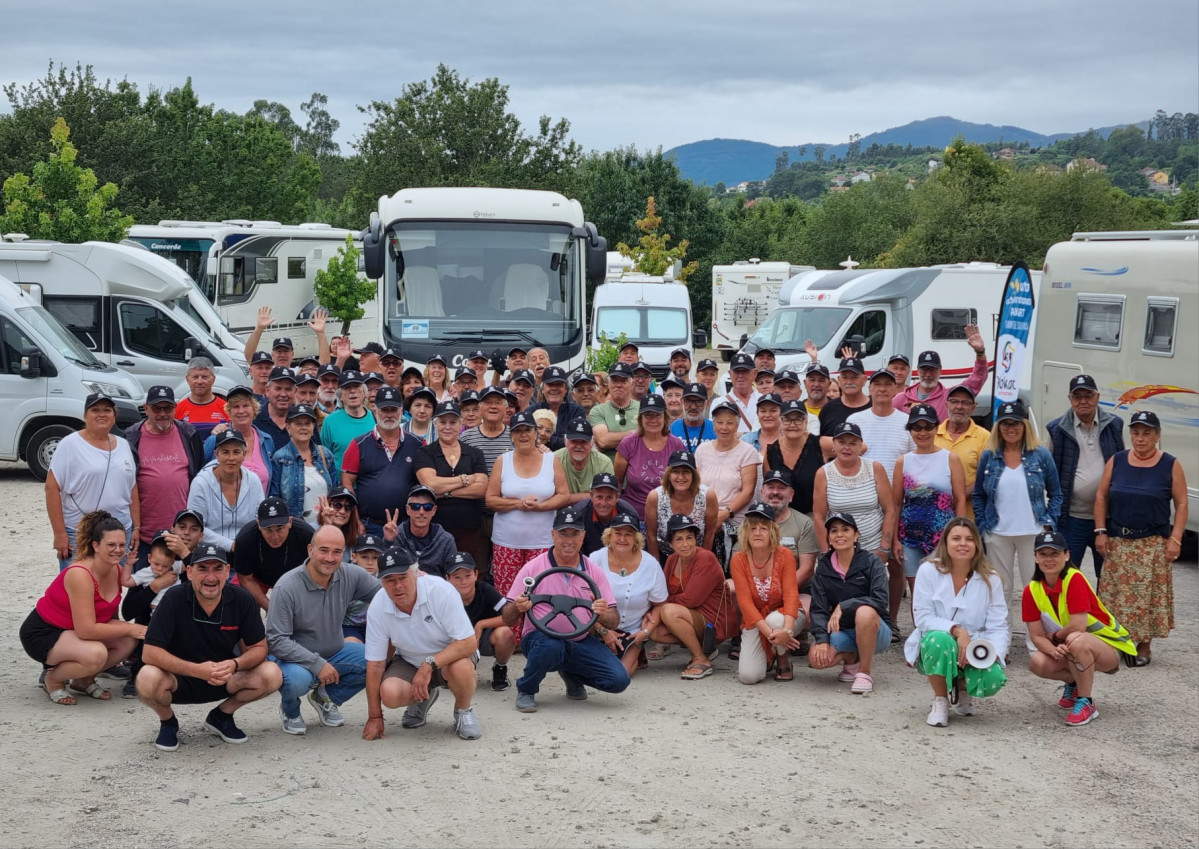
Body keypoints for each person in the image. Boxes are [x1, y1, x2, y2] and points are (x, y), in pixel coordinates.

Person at [135, 541, 282, 750]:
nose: (211, 577)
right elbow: (149, 653)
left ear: (228, 572)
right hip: (179, 680)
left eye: (218, 568)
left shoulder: (242, 599)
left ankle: (222, 716)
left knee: (272, 673)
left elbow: (259, 647)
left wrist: (234, 664)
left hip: (224, 677)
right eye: (203, 568)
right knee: (147, 677)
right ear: (190, 572)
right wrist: (197, 670)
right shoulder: (174, 598)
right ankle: (168, 722)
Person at [502, 508, 630, 712]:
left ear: (583, 535)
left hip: (580, 640)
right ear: (553, 535)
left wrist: (602, 611)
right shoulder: (533, 568)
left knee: (618, 680)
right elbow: (507, 618)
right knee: (551, 647)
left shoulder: (594, 572)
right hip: (539, 639)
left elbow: (613, 620)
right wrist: (518, 606)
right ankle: (526, 689)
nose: (569, 540)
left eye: (574, 533)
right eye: (563, 533)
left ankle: (571, 674)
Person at [1094, 410, 1188, 666]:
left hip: (1152, 544)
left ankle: (1143, 646)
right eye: (1136, 433)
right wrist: (1100, 531)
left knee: (1148, 596)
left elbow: (1181, 504)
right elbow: (1102, 496)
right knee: (1114, 595)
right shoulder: (1117, 460)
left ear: (1157, 436)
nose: (1140, 438)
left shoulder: (1170, 464)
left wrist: (1176, 538)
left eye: (1147, 433)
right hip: (1118, 541)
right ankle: (1115, 642)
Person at [267, 525, 380, 736]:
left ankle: (325, 697)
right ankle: (290, 710)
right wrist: (318, 665)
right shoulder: (286, 586)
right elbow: (277, 641)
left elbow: (385, 595)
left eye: (337, 552)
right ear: (310, 550)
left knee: (374, 661)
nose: (330, 558)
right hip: (294, 660)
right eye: (324, 550)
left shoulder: (350, 574)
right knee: (296, 681)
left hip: (336, 651)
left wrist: (414, 581)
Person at [21, 511, 144, 704]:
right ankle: (53, 680)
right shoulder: (80, 573)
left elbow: (108, 616)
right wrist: (132, 627)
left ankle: (83, 680)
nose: (118, 550)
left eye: (121, 545)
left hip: (72, 630)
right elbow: (86, 629)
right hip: (44, 632)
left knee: (128, 641)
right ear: (95, 545)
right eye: (111, 545)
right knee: (96, 653)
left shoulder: (117, 570)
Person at [362, 547, 482, 740]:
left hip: (449, 656)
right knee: (390, 694)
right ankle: (422, 696)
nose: (397, 586)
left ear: (416, 574)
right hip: (409, 659)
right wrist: (375, 716)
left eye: (403, 577)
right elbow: (375, 664)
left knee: (462, 668)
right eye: (389, 580)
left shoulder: (440, 590)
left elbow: (468, 642)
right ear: (381, 582)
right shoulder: (378, 605)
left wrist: (429, 664)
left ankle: (463, 710)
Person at [1023, 530, 1135, 726]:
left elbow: (1078, 625)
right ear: (1035, 557)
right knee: (1037, 662)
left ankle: (1086, 701)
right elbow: (1036, 635)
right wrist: (1053, 649)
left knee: (1076, 638)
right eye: (1043, 554)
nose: (1049, 559)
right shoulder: (1031, 590)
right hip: (1072, 646)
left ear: (1066, 555)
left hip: (1111, 647)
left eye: (1055, 553)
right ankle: (1074, 684)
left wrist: (1056, 636)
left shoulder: (1074, 578)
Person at [905, 517, 1009, 727]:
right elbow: (923, 617)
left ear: (977, 545)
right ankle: (940, 699)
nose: (963, 543)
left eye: (969, 539)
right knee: (938, 641)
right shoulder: (928, 570)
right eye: (956, 538)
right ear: (945, 542)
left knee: (993, 679)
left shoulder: (991, 578)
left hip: (976, 643)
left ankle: (962, 688)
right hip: (939, 638)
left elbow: (998, 624)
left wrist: (993, 653)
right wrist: (958, 631)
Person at [973, 400, 1062, 629]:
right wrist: (984, 526)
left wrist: (1048, 524)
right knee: (999, 590)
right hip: (997, 532)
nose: (1011, 429)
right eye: (1005, 424)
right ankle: (1001, 642)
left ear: (1025, 425)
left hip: (1033, 533)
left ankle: (1038, 643)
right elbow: (979, 495)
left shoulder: (1040, 454)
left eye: (1016, 424)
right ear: (998, 427)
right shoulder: (989, 456)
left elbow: (1056, 493)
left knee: (1034, 589)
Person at [46, 393, 139, 571]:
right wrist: (59, 533)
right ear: (85, 416)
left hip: (120, 532)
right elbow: (52, 488)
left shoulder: (123, 444)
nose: (101, 414)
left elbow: (132, 488)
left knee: (112, 588)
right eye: (95, 410)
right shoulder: (69, 444)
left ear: (114, 416)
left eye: (107, 410)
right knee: (78, 586)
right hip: (80, 532)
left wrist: (136, 526)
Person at [1046, 374, 1125, 581]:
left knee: (1108, 579)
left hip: (1108, 518)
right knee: (1067, 577)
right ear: (1070, 399)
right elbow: (1051, 476)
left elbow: (1123, 466)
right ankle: (1070, 614)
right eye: (1077, 396)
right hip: (1071, 518)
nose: (1083, 401)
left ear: (1097, 397)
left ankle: (1103, 614)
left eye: (1088, 395)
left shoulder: (1115, 425)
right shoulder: (1056, 429)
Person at [808, 511, 893, 694]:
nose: (839, 535)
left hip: (876, 630)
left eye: (845, 529)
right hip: (844, 631)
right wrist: (822, 640)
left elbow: (880, 601)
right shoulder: (823, 567)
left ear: (856, 535)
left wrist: (844, 606)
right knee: (817, 659)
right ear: (829, 538)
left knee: (864, 612)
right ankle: (851, 657)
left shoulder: (872, 562)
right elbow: (819, 608)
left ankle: (864, 673)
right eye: (834, 531)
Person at [486, 411, 569, 599]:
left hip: (543, 543)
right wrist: (518, 503)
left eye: (528, 430)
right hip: (507, 543)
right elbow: (490, 499)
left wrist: (541, 507)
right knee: (509, 598)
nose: (523, 435)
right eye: (518, 431)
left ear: (536, 433)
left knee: (543, 596)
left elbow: (564, 495)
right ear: (511, 436)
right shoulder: (503, 460)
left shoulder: (551, 459)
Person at [893, 404, 967, 605]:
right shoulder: (903, 461)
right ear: (910, 431)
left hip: (942, 536)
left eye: (928, 427)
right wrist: (894, 540)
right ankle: (921, 636)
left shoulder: (950, 459)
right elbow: (896, 503)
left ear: (936, 428)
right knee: (918, 595)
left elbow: (960, 499)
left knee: (943, 591)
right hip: (909, 537)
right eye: (917, 428)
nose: (923, 432)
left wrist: (960, 535)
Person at [647, 515, 737, 679]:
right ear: (670, 544)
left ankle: (701, 659)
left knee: (668, 611)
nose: (686, 544)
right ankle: (704, 649)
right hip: (689, 617)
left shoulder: (705, 557)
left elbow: (690, 600)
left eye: (690, 538)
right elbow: (664, 592)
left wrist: (662, 603)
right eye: (679, 539)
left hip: (713, 622)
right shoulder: (672, 560)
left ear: (696, 539)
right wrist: (661, 604)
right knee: (652, 628)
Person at [124, 385, 205, 567]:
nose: (162, 413)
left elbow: (199, 474)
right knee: (144, 588)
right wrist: (133, 527)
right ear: (146, 408)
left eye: (167, 408)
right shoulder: (131, 437)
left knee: (183, 589)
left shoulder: (188, 433)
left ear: (175, 408)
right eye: (156, 408)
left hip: (184, 535)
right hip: (145, 536)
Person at [741, 470, 820, 643]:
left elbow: (807, 569)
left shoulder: (804, 523)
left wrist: (774, 593)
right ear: (762, 492)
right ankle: (742, 637)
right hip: (757, 589)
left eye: (781, 488)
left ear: (791, 495)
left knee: (806, 614)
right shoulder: (749, 523)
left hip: (798, 589)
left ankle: (796, 634)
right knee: (731, 589)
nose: (775, 492)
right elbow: (739, 561)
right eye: (771, 487)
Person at [728, 503, 802, 684]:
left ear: (773, 532)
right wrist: (773, 635)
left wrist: (787, 631)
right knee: (749, 677)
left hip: (785, 617)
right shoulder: (738, 560)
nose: (757, 533)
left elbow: (792, 596)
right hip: (756, 620)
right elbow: (745, 604)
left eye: (763, 528)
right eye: (752, 528)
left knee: (775, 620)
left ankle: (783, 659)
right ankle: (772, 650)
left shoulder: (785, 555)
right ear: (746, 532)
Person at [587, 513, 667, 677]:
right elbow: (582, 601)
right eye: (618, 533)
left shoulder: (650, 563)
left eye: (628, 534)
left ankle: (636, 651)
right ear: (610, 535)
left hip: (633, 632)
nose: (622, 538)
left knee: (621, 675)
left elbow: (660, 604)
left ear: (636, 538)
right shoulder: (595, 558)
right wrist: (603, 631)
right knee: (591, 672)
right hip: (597, 628)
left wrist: (645, 633)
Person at [340, 387, 423, 538]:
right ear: (375, 410)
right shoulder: (358, 444)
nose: (389, 414)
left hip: (406, 526)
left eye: (394, 409)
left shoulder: (418, 443)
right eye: (385, 409)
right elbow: (347, 483)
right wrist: (356, 521)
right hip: (369, 526)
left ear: (401, 410)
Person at [813, 422, 895, 563]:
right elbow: (819, 516)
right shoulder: (823, 473)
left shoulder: (875, 468)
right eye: (842, 442)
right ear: (833, 444)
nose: (847, 447)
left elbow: (890, 510)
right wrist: (826, 552)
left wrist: (884, 548)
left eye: (853, 443)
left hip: (874, 548)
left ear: (860, 446)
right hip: (839, 551)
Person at [414, 401, 488, 557]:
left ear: (461, 424)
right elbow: (430, 484)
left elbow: (481, 489)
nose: (447, 427)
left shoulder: (475, 453)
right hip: (435, 527)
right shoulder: (425, 452)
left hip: (469, 527)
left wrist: (446, 493)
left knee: (465, 574)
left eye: (453, 422)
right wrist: (467, 479)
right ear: (435, 424)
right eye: (443, 422)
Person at [695, 398, 761, 564]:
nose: (724, 427)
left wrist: (723, 515)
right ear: (714, 424)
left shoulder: (747, 452)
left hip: (734, 520)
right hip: (704, 516)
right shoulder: (702, 450)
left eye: (730, 423)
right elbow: (695, 486)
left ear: (737, 425)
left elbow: (748, 492)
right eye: (720, 422)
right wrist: (708, 516)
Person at [446, 552, 515, 692]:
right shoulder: (443, 596)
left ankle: (500, 668)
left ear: (476, 574)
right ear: (447, 579)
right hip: (455, 639)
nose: (463, 582)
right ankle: (450, 670)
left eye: (467, 575)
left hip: (483, 637)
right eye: (457, 577)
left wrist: (481, 625)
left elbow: (511, 618)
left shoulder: (485, 590)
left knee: (505, 634)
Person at [187, 430, 266, 551]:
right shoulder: (200, 483)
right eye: (225, 452)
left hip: (248, 548)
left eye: (236, 452)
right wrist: (231, 545)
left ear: (244, 454)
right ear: (216, 454)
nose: (231, 458)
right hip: (209, 550)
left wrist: (244, 544)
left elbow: (260, 519)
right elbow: (196, 526)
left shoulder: (254, 480)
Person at [232, 496, 315, 611]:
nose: (275, 537)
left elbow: (315, 572)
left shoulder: (307, 535)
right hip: (256, 578)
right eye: (268, 530)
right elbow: (245, 580)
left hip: (296, 578)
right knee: (236, 602)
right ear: (259, 525)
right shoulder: (245, 538)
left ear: (290, 522)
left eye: (280, 528)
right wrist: (271, 609)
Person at [614, 395, 686, 521]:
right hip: (634, 516)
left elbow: (686, 480)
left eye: (657, 415)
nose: (653, 420)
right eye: (648, 415)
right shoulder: (628, 443)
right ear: (640, 418)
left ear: (665, 417)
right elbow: (618, 482)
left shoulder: (676, 444)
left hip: (668, 516)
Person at [896, 327, 989, 417]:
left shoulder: (950, 397)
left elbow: (978, 379)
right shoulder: (901, 399)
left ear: (940, 371)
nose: (928, 374)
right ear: (917, 371)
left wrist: (980, 352)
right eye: (924, 370)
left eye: (932, 370)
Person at [645, 450, 719, 561]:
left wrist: (702, 561)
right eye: (675, 471)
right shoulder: (655, 497)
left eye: (686, 472)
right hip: (664, 555)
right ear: (669, 474)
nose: (681, 477)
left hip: (697, 555)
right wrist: (656, 566)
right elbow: (651, 535)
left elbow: (710, 532)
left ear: (693, 475)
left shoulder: (708, 496)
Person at [270, 404, 337, 523]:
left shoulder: (326, 455)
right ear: (288, 427)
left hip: (325, 524)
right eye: (298, 424)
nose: (303, 428)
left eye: (307, 423)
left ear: (313, 427)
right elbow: (275, 497)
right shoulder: (280, 458)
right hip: (294, 527)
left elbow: (335, 493)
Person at [205, 385, 275, 494]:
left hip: (259, 508)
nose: (241, 411)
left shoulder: (266, 440)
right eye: (236, 407)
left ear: (254, 409)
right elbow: (201, 476)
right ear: (229, 411)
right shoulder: (215, 440)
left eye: (246, 405)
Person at [934, 385, 990, 520]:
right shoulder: (932, 434)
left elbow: (986, 477)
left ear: (973, 407)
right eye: (954, 401)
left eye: (966, 403)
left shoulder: (985, 437)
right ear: (946, 405)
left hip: (971, 517)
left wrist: (959, 498)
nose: (959, 406)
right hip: (934, 515)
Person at [848, 369, 914, 481]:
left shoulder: (908, 422)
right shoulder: (854, 420)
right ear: (869, 389)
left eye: (888, 384)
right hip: (862, 493)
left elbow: (914, 461)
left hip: (896, 494)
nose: (882, 389)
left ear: (895, 389)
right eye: (877, 384)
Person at [383, 485, 459, 578]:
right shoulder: (396, 534)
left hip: (435, 590)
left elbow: (453, 576)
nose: (421, 512)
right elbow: (385, 570)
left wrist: (430, 582)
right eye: (416, 506)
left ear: (434, 510)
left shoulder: (446, 540)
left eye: (427, 507)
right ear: (408, 509)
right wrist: (388, 541)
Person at [764, 399, 823, 516]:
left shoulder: (819, 444)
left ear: (806, 422)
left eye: (798, 420)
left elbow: (858, 446)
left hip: (815, 516)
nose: (792, 425)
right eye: (787, 420)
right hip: (782, 517)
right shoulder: (771, 451)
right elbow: (769, 489)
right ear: (780, 422)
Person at [818, 358, 871, 458]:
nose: (849, 381)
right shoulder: (828, 408)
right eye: (845, 377)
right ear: (839, 380)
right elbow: (818, 445)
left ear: (864, 380)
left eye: (854, 377)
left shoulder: (874, 407)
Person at [577, 472, 639, 554]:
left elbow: (636, 548)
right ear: (591, 496)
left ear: (617, 497)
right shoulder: (579, 515)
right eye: (599, 497)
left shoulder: (630, 514)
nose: (603, 503)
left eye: (609, 497)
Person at [320, 371, 375, 464]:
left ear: (364, 392)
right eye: (347, 387)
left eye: (356, 386)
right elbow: (323, 458)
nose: (352, 391)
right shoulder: (330, 422)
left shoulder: (376, 418)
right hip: (339, 478)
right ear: (340, 395)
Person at [555, 419, 614, 501]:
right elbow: (550, 496)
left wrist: (564, 498)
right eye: (574, 441)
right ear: (565, 441)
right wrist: (589, 496)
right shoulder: (555, 459)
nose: (579, 446)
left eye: (584, 442)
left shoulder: (604, 462)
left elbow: (604, 497)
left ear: (592, 442)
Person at [589, 362, 638, 461]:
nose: (618, 385)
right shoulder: (598, 411)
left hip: (637, 469)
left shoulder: (642, 408)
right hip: (608, 470)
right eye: (615, 381)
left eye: (623, 381)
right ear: (609, 384)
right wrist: (636, 433)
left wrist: (613, 438)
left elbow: (650, 439)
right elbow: (603, 441)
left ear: (632, 384)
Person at [341, 533, 384, 643]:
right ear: (354, 557)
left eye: (375, 558)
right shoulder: (345, 576)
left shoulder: (387, 578)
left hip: (380, 628)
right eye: (364, 557)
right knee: (352, 645)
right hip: (350, 627)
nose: (370, 562)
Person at [530, 366, 585, 450]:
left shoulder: (577, 411)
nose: (554, 388)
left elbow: (576, 442)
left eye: (559, 384)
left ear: (566, 389)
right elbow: (527, 437)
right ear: (542, 389)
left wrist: (544, 438)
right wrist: (562, 440)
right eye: (550, 384)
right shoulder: (531, 411)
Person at [173, 357, 229, 440]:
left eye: (204, 377)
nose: (199, 382)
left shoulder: (227, 408)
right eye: (195, 377)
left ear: (213, 379)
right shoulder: (177, 410)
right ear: (187, 379)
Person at [316, 485, 366, 560]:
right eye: (337, 505)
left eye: (348, 507)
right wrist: (327, 526)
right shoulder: (311, 530)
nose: (342, 511)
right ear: (328, 505)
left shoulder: (353, 537)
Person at [671, 382, 716, 454]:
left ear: (707, 404)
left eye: (699, 402)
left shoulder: (715, 429)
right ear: (682, 402)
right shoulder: (672, 428)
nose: (693, 407)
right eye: (689, 401)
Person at [721, 352, 760, 434]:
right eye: (736, 371)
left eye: (745, 371)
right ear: (730, 374)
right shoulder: (719, 402)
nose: (740, 375)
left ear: (755, 373)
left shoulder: (763, 401)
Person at [803, 362, 833, 435]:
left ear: (829, 384)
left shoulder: (837, 409)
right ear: (805, 383)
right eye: (812, 380)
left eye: (821, 380)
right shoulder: (798, 410)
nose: (816, 384)